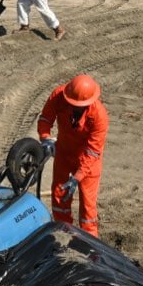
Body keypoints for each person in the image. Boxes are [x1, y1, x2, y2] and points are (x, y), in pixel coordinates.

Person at [37, 73, 107, 234]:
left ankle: (90, 243)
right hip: (63, 153)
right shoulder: (58, 96)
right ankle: (63, 234)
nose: (74, 107)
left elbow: (93, 150)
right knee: (59, 196)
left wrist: (77, 177)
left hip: (88, 162)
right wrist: (45, 138)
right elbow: (45, 119)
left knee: (87, 207)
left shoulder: (99, 117)